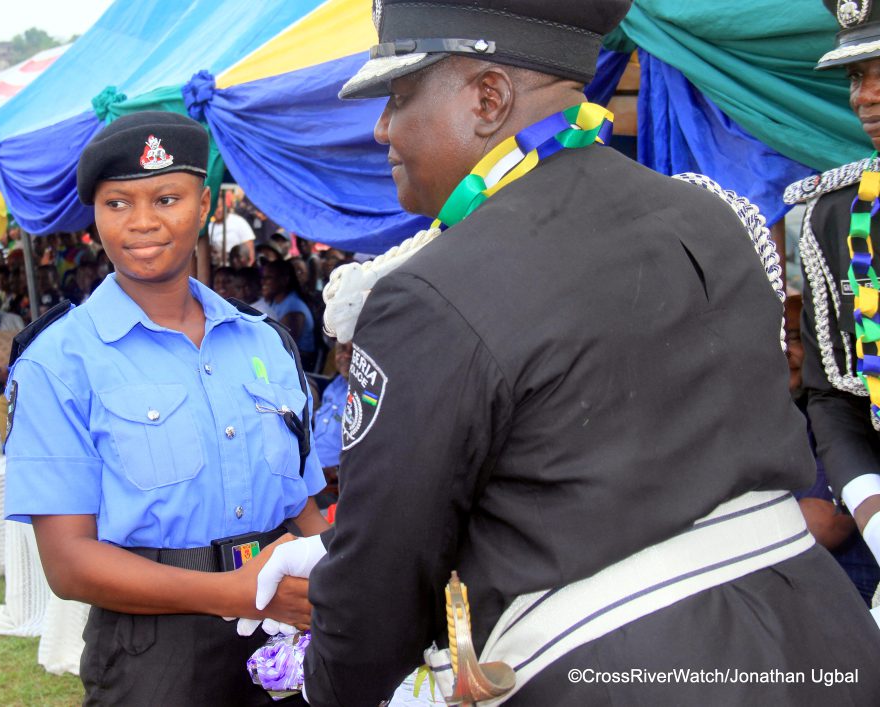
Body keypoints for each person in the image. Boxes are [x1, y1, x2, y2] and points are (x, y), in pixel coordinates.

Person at [256, 1, 880, 704]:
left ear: (489, 98)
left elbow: (382, 587)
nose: (382, 130)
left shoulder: (430, 292)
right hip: (821, 640)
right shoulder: (711, 217)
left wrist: (326, 677)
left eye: (399, 98)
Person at [2, 110, 328, 705]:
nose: (143, 222)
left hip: (288, 632)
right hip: (154, 651)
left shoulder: (266, 342)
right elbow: (69, 563)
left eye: (167, 198)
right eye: (118, 203)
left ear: (204, 206)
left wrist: (343, 575)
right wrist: (234, 592)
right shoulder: (58, 361)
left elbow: (303, 506)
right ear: (94, 218)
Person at [788, 0, 880, 609]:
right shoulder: (837, 215)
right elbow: (832, 394)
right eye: (855, 76)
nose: (865, 96)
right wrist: (873, 512)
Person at [313, 341, 351, 507]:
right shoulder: (335, 385)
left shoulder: (365, 396)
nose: (346, 356)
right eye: (342, 349)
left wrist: (336, 472)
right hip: (310, 471)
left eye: (354, 351)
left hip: (333, 485)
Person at [261, 259, 316, 369]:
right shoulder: (275, 301)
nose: (263, 282)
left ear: (284, 280)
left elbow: (285, 344)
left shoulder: (294, 308)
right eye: (263, 277)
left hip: (300, 363)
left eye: (269, 278)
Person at [209, 199, 256, 268]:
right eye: (215, 208)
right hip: (220, 268)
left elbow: (249, 247)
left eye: (220, 207)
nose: (218, 210)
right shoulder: (210, 227)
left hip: (238, 268)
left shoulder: (238, 221)